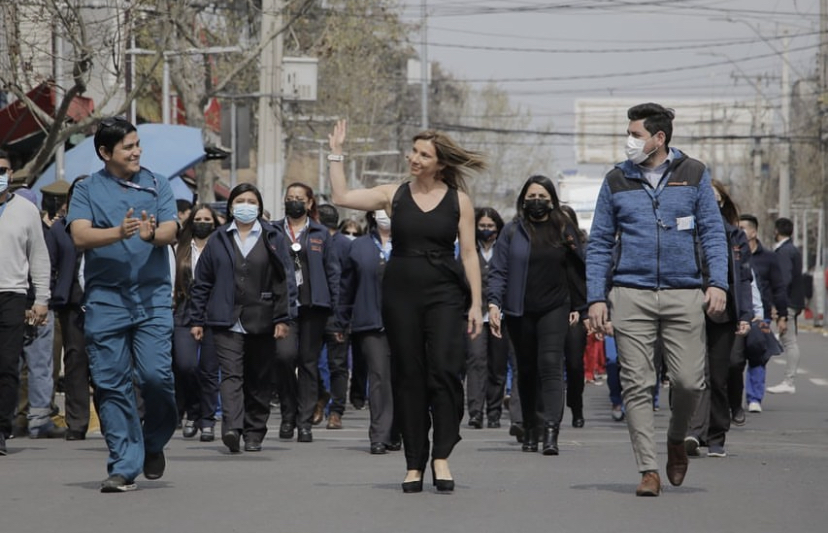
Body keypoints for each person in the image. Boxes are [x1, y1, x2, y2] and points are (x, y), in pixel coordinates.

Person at [328, 119, 484, 493]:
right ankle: (415, 461)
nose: (414, 158)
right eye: (413, 151)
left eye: (423, 154)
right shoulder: (392, 194)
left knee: (445, 371)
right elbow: (342, 197)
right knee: (408, 376)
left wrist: (477, 303)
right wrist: (335, 153)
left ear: (440, 163)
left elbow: (469, 254)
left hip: (446, 295)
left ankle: (441, 454)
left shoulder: (458, 201)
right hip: (400, 294)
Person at [586, 103, 728, 497]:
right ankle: (648, 469)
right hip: (631, 293)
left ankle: (676, 438)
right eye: (628, 134)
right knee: (637, 383)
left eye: (635, 134)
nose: (629, 141)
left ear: (659, 138)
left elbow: (713, 234)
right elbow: (598, 243)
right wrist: (596, 297)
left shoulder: (694, 174)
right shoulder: (616, 179)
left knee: (687, 382)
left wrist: (718, 283)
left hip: (685, 293)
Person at [65, 116, 179, 493]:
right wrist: (120, 232)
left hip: (152, 300)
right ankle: (123, 465)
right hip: (105, 302)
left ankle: (152, 442)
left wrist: (151, 235)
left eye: (137, 144)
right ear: (104, 152)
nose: (136, 151)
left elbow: (170, 229)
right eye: (128, 147)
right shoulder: (87, 190)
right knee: (111, 384)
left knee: (155, 378)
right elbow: (79, 236)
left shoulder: (157, 184)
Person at [189, 184, 295, 453]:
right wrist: (197, 319)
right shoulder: (218, 238)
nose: (245, 205)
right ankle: (232, 427)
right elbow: (202, 281)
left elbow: (285, 280)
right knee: (231, 374)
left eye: (251, 201)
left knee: (259, 377)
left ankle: (254, 432)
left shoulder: (274, 237)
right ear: (231, 206)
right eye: (240, 201)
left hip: (263, 316)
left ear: (259, 207)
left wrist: (283, 317)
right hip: (225, 318)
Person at [487, 175, 587, 456]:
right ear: (523, 200)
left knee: (551, 365)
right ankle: (530, 427)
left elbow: (578, 268)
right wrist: (494, 303)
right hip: (520, 310)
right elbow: (498, 270)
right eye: (531, 196)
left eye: (542, 196)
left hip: (555, 307)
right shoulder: (511, 231)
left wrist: (582, 309)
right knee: (527, 370)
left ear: (552, 200)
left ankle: (551, 430)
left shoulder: (564, 228)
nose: (536, 201)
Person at [684, 179, 752, 459]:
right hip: (687, 311)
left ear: (722, 202)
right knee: (691, 376)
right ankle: (693, 432)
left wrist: (745, 314)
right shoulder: (685, 231)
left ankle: (716, 435)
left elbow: (745, 278)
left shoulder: (735, 236)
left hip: (723, 315)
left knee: (718, 376)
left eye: (714, 198)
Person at [271, 182, 339, 443]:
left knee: (308, 363)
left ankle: (304, 420)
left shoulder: (321, 233)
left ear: (310, 203)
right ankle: (288, 413)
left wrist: (335, 312)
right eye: (290, 198)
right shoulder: (274, 231)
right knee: (284, 358)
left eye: (299, 198)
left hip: (314, 307)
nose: (294, 202)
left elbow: (333, 273)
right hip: (283, 308)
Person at [336, 209, 400, 454]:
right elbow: (346, 287)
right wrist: (341, 321)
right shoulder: (359, 247)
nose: (386, 215)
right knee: (379, 377)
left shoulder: (410, 244)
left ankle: (397, 431)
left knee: (402, 379)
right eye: (381, 209)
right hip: (370, 322)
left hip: (405, 323)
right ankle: (379, 435)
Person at [0, 152, 51, 455]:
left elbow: (39, 257)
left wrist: (42, 299)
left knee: (7, 365)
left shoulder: (26, 209)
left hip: (12, 294)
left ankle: (1, 429)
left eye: (2, 169)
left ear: (12, 172)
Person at [47, 176, 91, 440]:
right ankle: (77, 422)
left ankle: (113, 422)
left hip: (104, 302)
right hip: (71, 303)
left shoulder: (107, 226)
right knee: (75, 361)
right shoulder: (59, 229)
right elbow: (49, 263)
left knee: (108, 363)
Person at [173, 203, 222, 442]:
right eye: (199, 219)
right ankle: (192, 409)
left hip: (214, 313)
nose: (203, 223)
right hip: (184, 312)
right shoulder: (179, 248)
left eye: (207, 219)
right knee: (186, 365)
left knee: (210, 371)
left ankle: (207, 419)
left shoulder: (221, 246)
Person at [734, 214, 788, 412]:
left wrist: (782, 315)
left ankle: (754, 398)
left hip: (760, 316)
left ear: (754, 232)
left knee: (757, 356)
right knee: (736, 360)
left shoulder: (769, 258)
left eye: (743, 228)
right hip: (738, 315)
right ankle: (733, 399)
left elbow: (778, 287)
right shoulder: (735, 254)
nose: (739, 231)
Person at [465, 207, 509, 430]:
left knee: (497, 366)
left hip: (500, 317)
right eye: (482, 226)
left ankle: (494, 412)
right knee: (476, 362)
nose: (486, 230)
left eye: (490, 226)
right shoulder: (468, 250)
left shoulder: (504, 249)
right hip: (475, 316)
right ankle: (475, 412)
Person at [316, 203, 352, 430]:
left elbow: (347, 283)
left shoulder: (345, 246)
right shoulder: (312, 241)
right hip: (314, 311)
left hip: (336, 313)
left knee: (337, 365)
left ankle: (336, 412)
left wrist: (343, 318)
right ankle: (321, 397)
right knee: (307, 362)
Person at [766, 217, 805, 395]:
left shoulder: (784, 252)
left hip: (787, 301)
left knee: (789, 341)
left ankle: (789, 380)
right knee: (788, 339)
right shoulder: (793, 250)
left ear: (776, 231)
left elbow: (783, 279)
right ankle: (789, 379)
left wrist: (779, 305)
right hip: (794, 300)